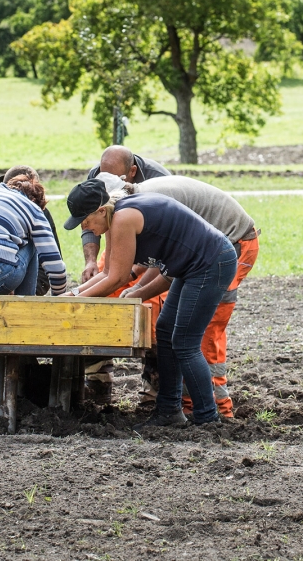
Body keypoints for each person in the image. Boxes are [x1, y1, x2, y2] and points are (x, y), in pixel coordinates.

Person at [63, 178, 237, 426]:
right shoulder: (113, 218)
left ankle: (207, 418)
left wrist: (76, 304)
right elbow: (107, 272)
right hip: (190, 265)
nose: (85, 227)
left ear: (100, 210)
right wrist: (72, 295)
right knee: (165, 330)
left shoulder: (123, 218)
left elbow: (117, 278)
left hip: (211, 262)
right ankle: (168, 410)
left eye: (86, 220)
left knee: (185, 343)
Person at [120, 175, 260, 417]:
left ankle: (211, 413)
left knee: (197, 334)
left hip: (229, 245)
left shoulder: (147, 207)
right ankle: (171, 409)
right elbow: (169, 261)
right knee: (167, 327)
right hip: (198, 257)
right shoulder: (141, 204)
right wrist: (137, 289)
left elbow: (174, 263)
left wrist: (138, 292)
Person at [82, 145, 171, 283]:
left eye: (115, 181)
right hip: (121, 238)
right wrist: (90, 261)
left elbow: (167, 243)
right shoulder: (95, 176)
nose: (108, 184)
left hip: (155, 246)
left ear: (133, 171)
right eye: (104, 179)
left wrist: (134, 276)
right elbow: (89, 221)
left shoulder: (159, 179)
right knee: (100, 281)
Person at [0, 180, 66, 296]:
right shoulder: (33, 209)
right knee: (31, 242)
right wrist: (58, 300)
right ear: (34, 200)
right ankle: (26, 303)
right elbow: (57, 270)